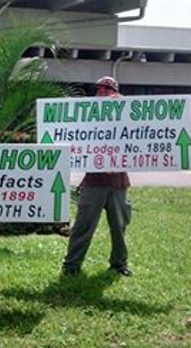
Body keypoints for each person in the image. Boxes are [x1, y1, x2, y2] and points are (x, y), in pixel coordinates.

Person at [62, 76, 133, 277]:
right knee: (83, 226)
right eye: (99, 89)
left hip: (119, 182)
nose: (102, 92)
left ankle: (119, 263)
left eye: (107, 89)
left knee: (119, 227)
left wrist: (117, 100)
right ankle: (71, 265)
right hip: (93, 181)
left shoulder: (123, 113)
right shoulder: (89, 117)